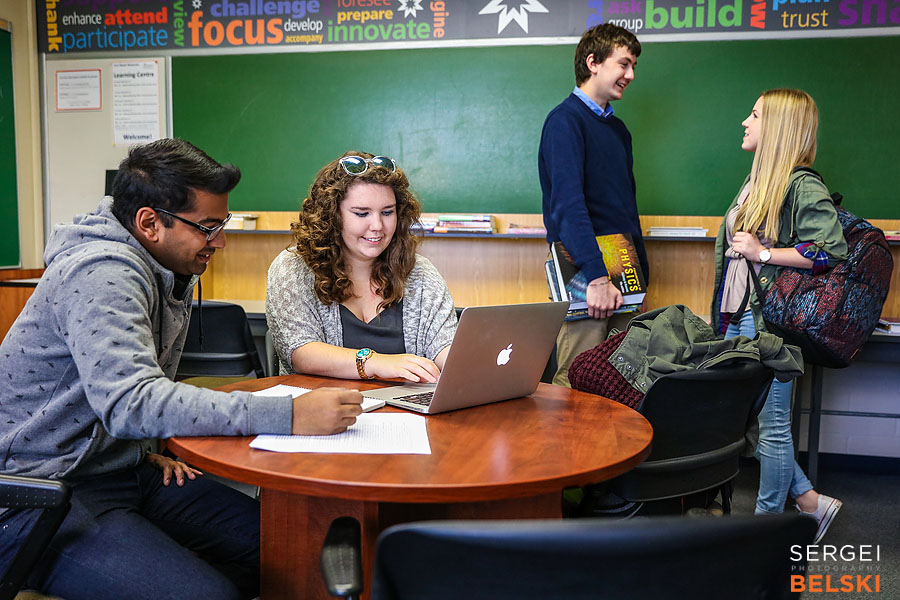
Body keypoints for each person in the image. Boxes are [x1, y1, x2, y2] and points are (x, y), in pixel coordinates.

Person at [0, 138, 363, 600]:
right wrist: (290, 415)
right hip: (36, 494)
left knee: (295, 548)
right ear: (150, 223)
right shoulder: (102, 272)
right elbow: (133, 401)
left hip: (115, 472)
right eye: (208, 227)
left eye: (223, 224)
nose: (221, 241)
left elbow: (122, 396)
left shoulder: (165, 266)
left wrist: (135, 447)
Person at [711, 89, 846, 542]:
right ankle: (809, 502)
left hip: (769, 322)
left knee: (771, 427)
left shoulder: (800, 184)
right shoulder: (758, 180)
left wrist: (764, 252)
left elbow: (830, 250)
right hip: (741, 314)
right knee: (758, 421)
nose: (744, 122)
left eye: (754, 115)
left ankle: (767, 533)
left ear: (780, 128)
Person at [266, 151, 457, 382]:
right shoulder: (292, 268)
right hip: (324, 411)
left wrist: (470, 363)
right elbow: (300, 351)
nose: (377, 225)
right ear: (332, 215)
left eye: (387, 212)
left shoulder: (420, 272)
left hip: (404, 414)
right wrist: (377, 362)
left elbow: (445, 347)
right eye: (361, 213)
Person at [538, 23, 649, 387]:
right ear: (593, 63)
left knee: (623, 380)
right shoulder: (564, 122)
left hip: (625, 272)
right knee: (576, 379)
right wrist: (597, 278)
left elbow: (624, 209)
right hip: (589, 275)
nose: (630, 75)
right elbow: (567, 208)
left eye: (633, 66)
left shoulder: (619, 131)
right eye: (623, 64)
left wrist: (637, 274)